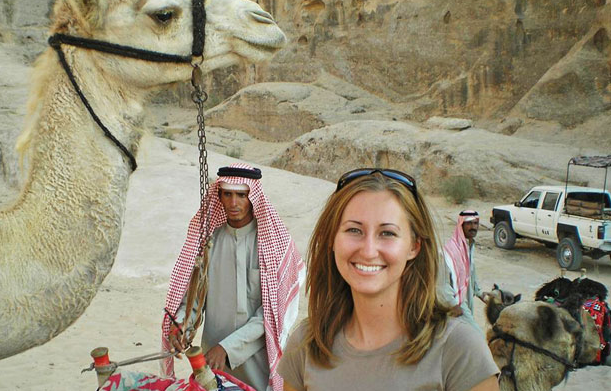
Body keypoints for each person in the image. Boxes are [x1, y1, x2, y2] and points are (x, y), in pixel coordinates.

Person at [278, 169, 498, 391]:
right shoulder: (306, 345)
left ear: (414, 246)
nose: (369, 250)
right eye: (354, 230)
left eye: (387, 233)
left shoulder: (459, 350)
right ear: (332, 240)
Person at [162, 163, 305, 391]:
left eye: (241, 195)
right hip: (211, 363)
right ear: (218, 195)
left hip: (258, 362)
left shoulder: (274, 247)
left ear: (253, 197)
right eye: (227, 194)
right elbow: (194, 298)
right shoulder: (210, 242)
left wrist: (227, 348)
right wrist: (181, 326)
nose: (233, 203)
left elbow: (272, 314)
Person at [440, 210, 483, 326]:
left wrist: (479, 292)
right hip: (456, 301)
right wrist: (453, 304)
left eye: (475, 223)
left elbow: (470, 272)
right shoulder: (450, 251)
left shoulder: (469, 246)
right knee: (475, 333)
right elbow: (442, 284)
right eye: (469, 224)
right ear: (461, 225)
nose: (473, 227)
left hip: (466, 297)